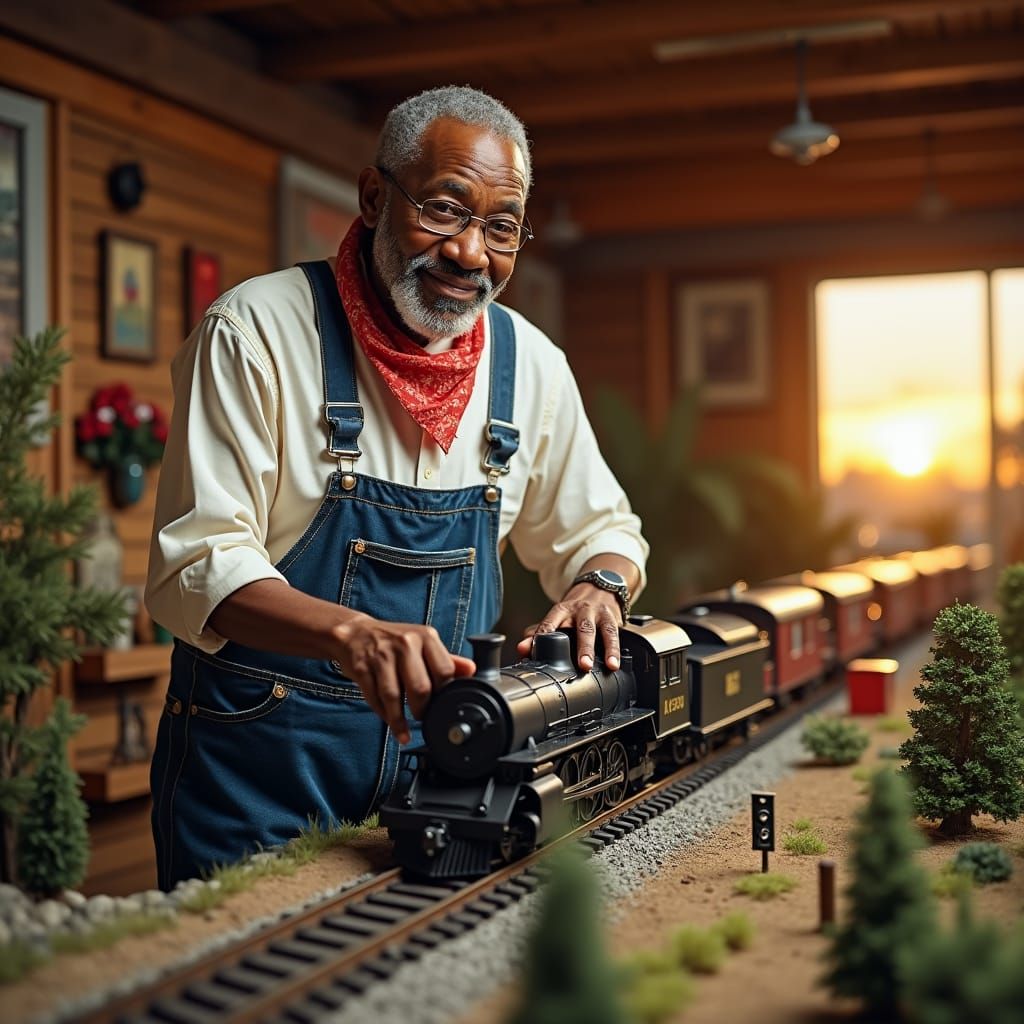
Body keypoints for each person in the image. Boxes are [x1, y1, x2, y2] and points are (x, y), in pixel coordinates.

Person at [145, 86, 648, 889]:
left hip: (451, 782)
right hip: (257, 780)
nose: (470, 253)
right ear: (375, 196)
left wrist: (599, 586)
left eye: (501, 227)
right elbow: (196, 566)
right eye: (446, 210)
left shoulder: (531, 367)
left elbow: (605, 532)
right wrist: (350, 634)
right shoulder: (255, 332)